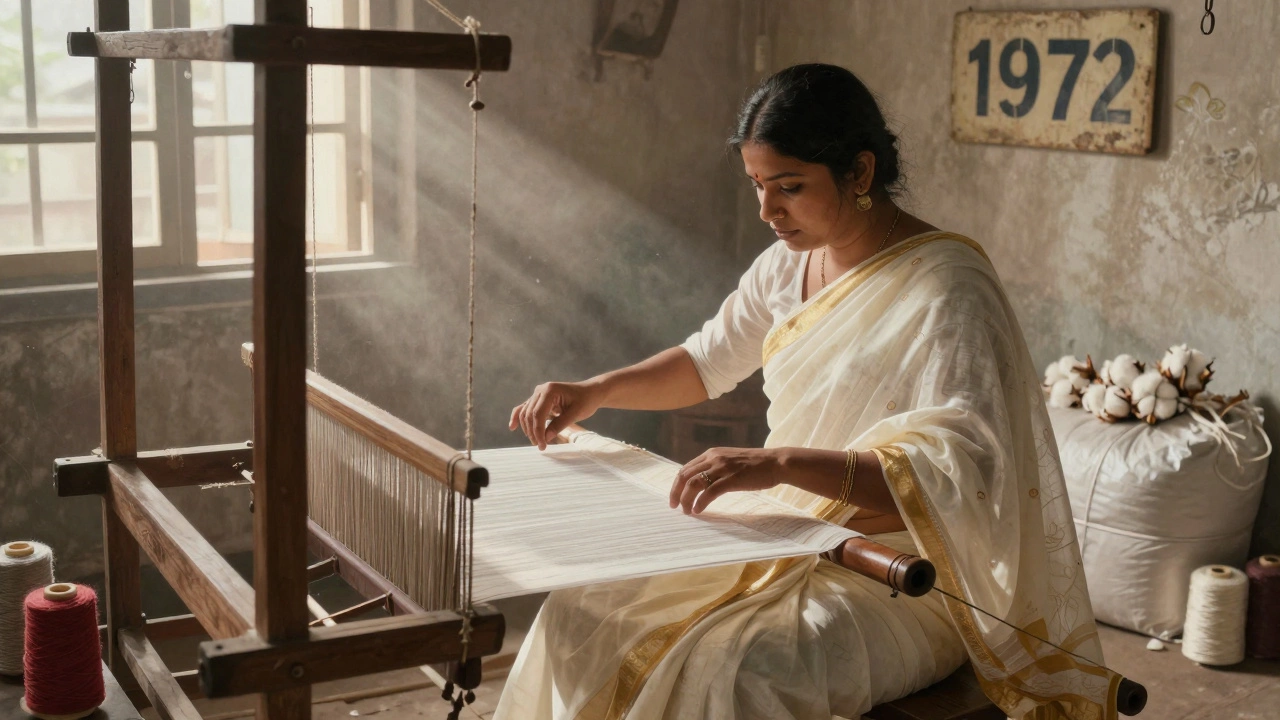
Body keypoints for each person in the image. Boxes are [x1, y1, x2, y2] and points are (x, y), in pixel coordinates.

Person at [496, 64, 1119, 720]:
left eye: (789, 187)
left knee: (741, 668)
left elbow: (962, 478)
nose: (767, 211)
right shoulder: (787, 265)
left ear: (859, 173)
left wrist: (781, 464)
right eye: (759, 186)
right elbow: (707, 360)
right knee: (584, 608)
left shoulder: (949, 289)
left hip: (910, 575)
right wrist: (596, 390)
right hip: (780, 535)